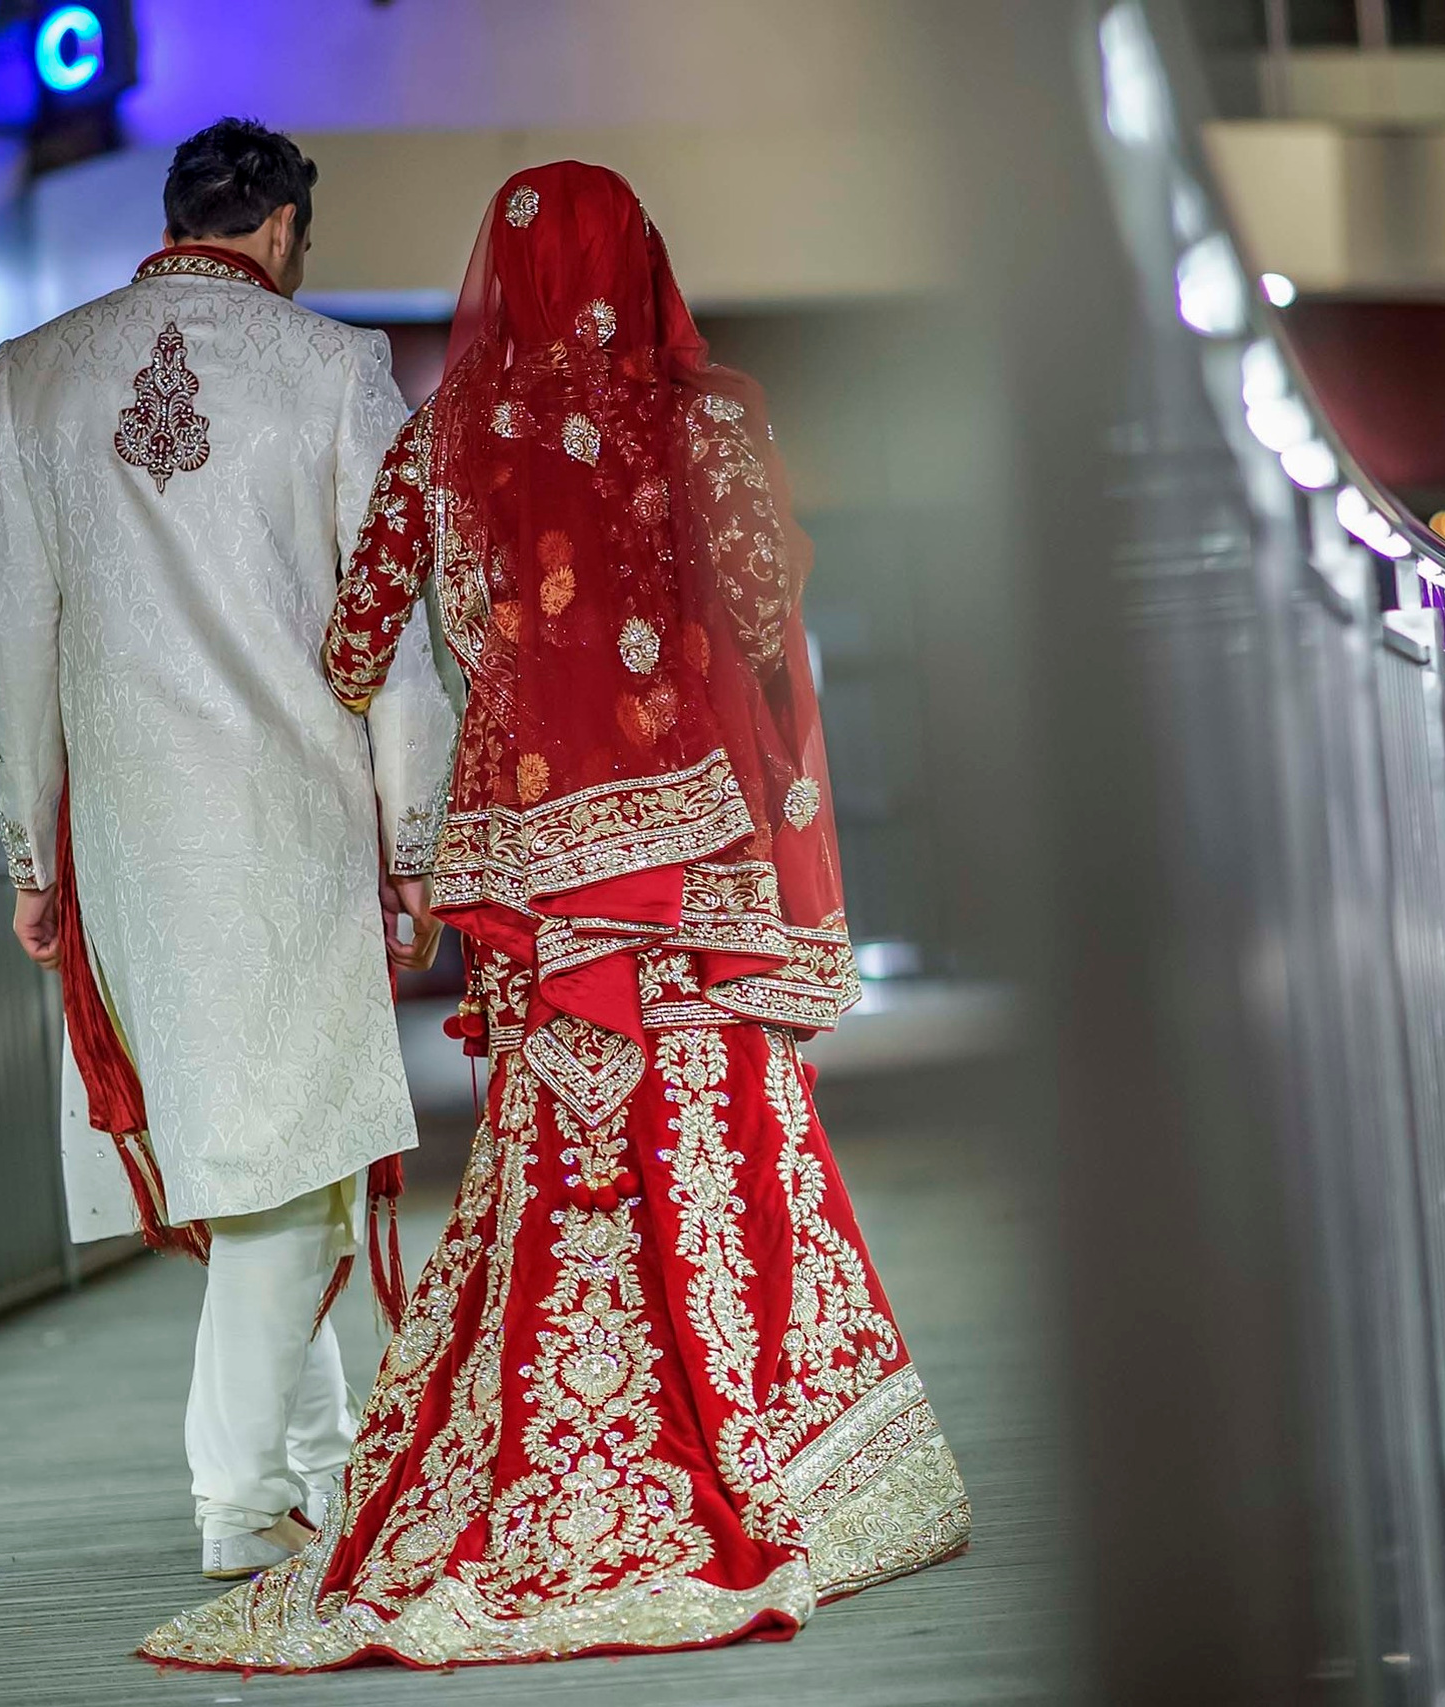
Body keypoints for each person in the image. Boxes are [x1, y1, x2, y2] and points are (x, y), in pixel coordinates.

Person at [139, 162, 970, 1672]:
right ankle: (762, 1454)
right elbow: (764, 603)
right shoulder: (706, 420)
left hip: (529, 880)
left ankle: (543, 1459)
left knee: (556, 1174)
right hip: (693, 874)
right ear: (638, 265)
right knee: (714, 1150)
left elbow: (352, 637)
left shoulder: (448, 436)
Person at [0, 119, 457, 1581]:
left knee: (268, 1163)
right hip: (291, 820)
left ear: (180, 214)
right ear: (282, 228)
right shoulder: (332, 370)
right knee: (290, 1154)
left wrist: (29, 852)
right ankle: (236, 1498)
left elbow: (13, 634)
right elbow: (396, 640)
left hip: (126, 830)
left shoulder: (38, 369)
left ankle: (318, 1463)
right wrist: (414, 836)